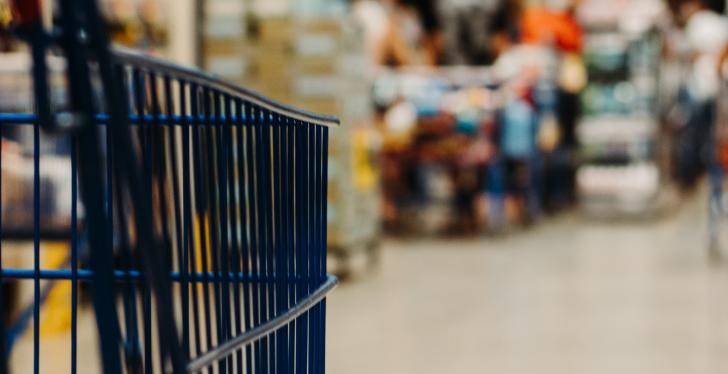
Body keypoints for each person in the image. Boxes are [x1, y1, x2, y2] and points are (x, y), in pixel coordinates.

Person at [375, 0, 441, 66]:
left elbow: (434, 40)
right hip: (405, 64)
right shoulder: (386, 15)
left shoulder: (418, 11)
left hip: (422, 61)